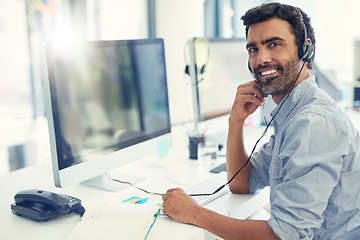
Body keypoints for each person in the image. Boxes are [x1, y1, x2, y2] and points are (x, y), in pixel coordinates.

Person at [162, 2, 360, 239]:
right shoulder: (292, 113)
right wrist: (235, 122)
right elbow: (242, 183)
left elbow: (283, 236)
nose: (261, 59)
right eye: (253, 49)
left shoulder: (313, 122)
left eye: (274, 44)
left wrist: (195, 213)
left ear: (305, 50)